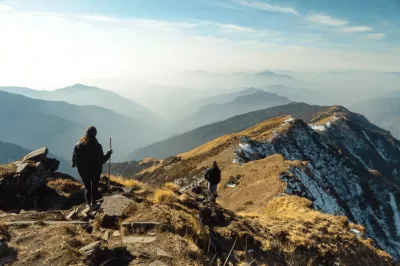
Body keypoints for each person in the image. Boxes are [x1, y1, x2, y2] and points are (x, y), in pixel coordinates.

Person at [71, 126, 113, 209]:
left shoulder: (78, 145)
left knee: (87, 187)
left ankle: (88, 204)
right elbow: (102, 160)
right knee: (94, 187)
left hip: (83, 171)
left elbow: (74, 155)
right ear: (95, 134)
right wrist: (108, 153)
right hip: (95, 171)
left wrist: (74, 164)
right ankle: (93, 204)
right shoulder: (97, 146)